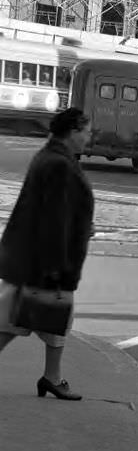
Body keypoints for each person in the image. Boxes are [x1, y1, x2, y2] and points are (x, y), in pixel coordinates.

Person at [0, 107, 95, 400]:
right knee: (15, 321)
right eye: (87, 131)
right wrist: (55, 268)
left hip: (32, 258)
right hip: (42, 263)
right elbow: (55, 220)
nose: (89, 138)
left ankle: (52, 377)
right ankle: (51, 378)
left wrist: (82, 226)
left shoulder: (51, 157)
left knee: (46, 320)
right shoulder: (59, 165)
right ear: (74, 131)